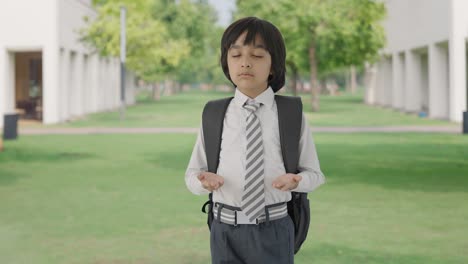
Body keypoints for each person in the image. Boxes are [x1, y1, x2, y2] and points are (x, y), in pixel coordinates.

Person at [185, 16, 325, 264]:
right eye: (236, 55)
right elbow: (192, 176)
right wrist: (202, 182)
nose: (245, 63)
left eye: (257, 56)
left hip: (274, 229)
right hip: (224, 232)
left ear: (273, 65)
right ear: (227, 64)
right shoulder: (214, 114)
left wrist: (297, 181)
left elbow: (315, 175)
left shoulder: (291, 113)